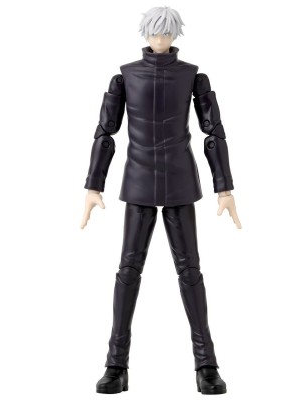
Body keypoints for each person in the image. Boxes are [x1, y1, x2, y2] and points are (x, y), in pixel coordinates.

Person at [80, 6, 241, 395]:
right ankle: (116, 365)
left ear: (175, 35)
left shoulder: (193, 77)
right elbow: (105, 133)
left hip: (180, 181)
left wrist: (224, 188)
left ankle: (206, 365)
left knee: (190, 272)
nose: (160, 39)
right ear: (145, 34)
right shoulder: (125, 76)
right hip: (138, 181)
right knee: (127, 272)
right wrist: (93, 186)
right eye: (154, 32)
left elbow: (213, 133)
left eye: (166, 33)